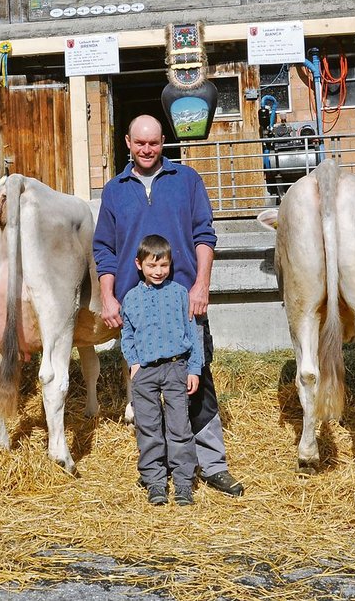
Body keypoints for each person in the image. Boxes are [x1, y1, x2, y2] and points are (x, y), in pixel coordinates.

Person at [93, 114, 244, 498]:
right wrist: (109, 296)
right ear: (127, 142)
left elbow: (204, 234)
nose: (147, 150)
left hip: (183, 298)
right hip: (138, 307)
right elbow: (105, 250)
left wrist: (201, 285)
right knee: (145, 392)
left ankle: (211, 465)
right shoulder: (114, 190)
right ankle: (155, 472)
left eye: (154, 143)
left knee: (197, 379)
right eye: (140, 143)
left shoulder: (186, 180)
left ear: (164, 143)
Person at [120, 235, 204, 506]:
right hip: (145, 373)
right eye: (152, 266)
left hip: (175, 368)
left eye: (164, 266)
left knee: (180, 427)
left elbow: (193, 333)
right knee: (149, 428)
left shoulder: (180, 293)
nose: (158, 272)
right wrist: (133, 362)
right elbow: (127, 335)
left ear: (170, 265)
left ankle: (182, 483)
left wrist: (194, 369)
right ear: (139, 264)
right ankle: (155, 482)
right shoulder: (131, 298)